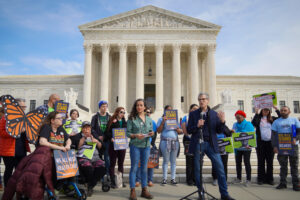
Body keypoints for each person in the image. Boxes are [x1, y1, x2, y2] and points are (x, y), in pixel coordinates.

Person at [187, 92, 235, 200]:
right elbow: (189, 130)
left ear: (208, 100)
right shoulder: (193, 114)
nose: (201, 101)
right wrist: (197, 125)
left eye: (203, 99)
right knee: (198, 171)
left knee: (220, 168)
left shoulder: (214, 114)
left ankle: (224, 194)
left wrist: (222, 122)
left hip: (211, 144)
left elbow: (219, 130)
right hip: (198, 143)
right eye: (199, 99)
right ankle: (201, 193)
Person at [127, 99, 154, 200]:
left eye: (141, 105)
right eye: (137, 105)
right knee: (134, 167)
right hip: (135, 146)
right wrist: (135, 135)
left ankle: (144, 190)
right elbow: (127, 133)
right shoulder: (132, 118)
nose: (139, 107)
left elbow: (151, 130)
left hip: (146, 146)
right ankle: (132, 190)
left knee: (144, 168)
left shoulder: (149, 119)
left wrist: (152, 133)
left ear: (144, 107)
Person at [0, 98, 31, 187]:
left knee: (20, 171)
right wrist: (17, 132)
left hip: (22, 149)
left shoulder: (25, 117)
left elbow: (27, 133)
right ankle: (8, 191)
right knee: (9, 170)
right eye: (22, 106)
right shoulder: (6, 117)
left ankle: (18, 190)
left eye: (24, 107)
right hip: (9, 150)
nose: (24, 108)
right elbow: (1, 132)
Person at [38, 111, 72, 189]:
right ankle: (56, 186)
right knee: (56, 165)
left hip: (59, 155)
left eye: (62, 118)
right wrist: (60, 148)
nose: (61, 120)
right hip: (47, 155)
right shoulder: (47, 127)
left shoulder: (60, 128)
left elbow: (68, 139)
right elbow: (42, 141)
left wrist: (67, 145)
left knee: (71, 164)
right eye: (59, 118)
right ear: (52, 120)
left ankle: (64, 185)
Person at [72, 121, 105, 196]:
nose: (86, 130)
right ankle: (90, 186)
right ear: (82, 129)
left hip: (95, 157)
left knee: (102, 167)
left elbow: (102, 147)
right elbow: (76, 147)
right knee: (88, 167)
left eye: (88, 128)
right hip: (83, 157)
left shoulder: (94, 135)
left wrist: (96, 141)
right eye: (85, 128)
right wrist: (83, 138)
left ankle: (90, 185)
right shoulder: (78, 136)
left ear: (90, 129)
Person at [271, 106, 300, 191]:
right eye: (282, 110)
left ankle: (296, 184)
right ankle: (283, 183)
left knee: (294, 165)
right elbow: (273, 135)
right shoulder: (276, 122)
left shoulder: (294, 120)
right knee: (283, 166)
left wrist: (296, 138)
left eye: (285, 110)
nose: (283, 112)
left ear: (289, 111)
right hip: (281, 146)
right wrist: (275, 146)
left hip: (293, 146)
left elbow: (299, 131)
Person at [252, 106, 280, 185]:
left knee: (270, 161)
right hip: (261, 143)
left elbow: (281, 117)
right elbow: (253, 123)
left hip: (270, 143)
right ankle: (261, 179)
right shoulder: (259, 118)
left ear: (269, 111)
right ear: (262, 110)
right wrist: (256, 113)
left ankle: (269, 179)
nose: (266, 111)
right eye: (264, 110)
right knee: (261, 161)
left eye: (267, 110)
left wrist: (276, 109)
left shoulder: (273, 119)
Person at [157, 105, 183, 185]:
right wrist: (163, 122)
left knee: (173, 161)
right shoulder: (161, 119)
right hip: (165, 141)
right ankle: (164, 178)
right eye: (168, 110)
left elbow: (180, 132)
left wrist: (177, 128)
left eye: (171, 110)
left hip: (175, 141)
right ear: (165, 111)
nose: (170, 111)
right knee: (165, 160)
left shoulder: (175, 120)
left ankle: (173, 178)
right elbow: (158, 131)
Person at [232, 110, 255, 187]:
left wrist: (251, 145)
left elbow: (253, 135)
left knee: (247, 163)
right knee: (238, 163)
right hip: (238, 147)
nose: (238, 119)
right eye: (237, 117)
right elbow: (233, 134)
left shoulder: (248, 124)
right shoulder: (235, 125)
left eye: (239, 117)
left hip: (246, 147)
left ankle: (248, 179)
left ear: (243, 117)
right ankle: (239, 178)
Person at [136, 107, 158, 187]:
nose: (148, 113)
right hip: (140, 144)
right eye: (146, 112)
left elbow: (155, 134)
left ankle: (150, 180)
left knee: (150, 164)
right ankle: (138, 180)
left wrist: (152, 143)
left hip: (149, 144)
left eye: (149, 112)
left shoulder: (153, 122)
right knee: (139, 163)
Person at [106, 107, 127, 189]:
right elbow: (107, 132)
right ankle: (112, 181)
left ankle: (120, 180)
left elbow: (126, 132)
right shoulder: (112, 120)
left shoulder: (125, 121)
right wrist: (111, 137)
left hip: (122, 145)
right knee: (113, 163)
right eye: (121, 112)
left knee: (121, 163)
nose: (123, 114)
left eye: (124, 112)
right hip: (114, 145)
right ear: (117, 112)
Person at [91, 100, 111, 177]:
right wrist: (98, 137)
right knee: (98, 158)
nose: (104, 108)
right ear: (100, 107)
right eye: (103, 106)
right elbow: (92, 129)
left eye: (106, 106)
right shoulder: (95, 117)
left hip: (106, 140)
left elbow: (110, 129)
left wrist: (104, 136)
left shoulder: (109, 117)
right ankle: (98, 174)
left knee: (107, 157)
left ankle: (107, 173)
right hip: (97, 140)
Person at [182, 104, 199, 186]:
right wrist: (190, 136)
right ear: (190, 110)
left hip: (197, 141)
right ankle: (189, 180)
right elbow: (184, 129)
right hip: (188, 140)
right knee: (189, 161)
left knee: (196, 161)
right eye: (193, 108)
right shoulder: (186, 118)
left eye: (197, 109)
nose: (195, 110)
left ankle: (196, 179)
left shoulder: (200, 118)